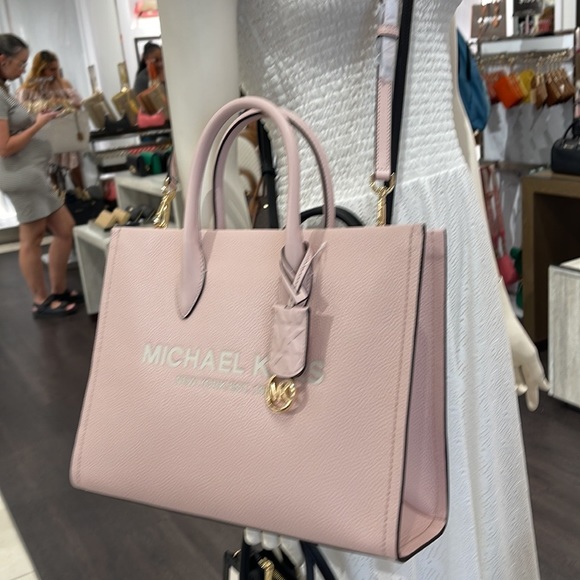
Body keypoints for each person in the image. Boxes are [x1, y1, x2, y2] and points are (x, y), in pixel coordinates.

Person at [159, 1, 547, 577]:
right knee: (371, 535)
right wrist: (243, 355)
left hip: (455, 250)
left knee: (472, 508)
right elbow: (205, 146)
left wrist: (498, 305)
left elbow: (445, 113)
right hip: (335, 254)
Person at [0, 34, 81, 318]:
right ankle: (40, 300)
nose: (24, 69)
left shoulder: (5, 91)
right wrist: (38, 124)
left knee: (65, 228)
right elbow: (5, 147)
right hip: (21, 176)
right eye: (21, 63)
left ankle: (58, 290)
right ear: (2, 60)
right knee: (32, 239)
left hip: (32, 174)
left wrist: (36, 120)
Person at [17, 50, 86, 195]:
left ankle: (83, 196)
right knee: (51, 170)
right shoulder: (27, 89)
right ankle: (58, 200)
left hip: (65, 132)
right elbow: (22, 112)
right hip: (43, 135)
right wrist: (41, 106)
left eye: (56, 69)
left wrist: (61, 102)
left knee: (75, 167)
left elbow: (79, 103)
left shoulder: (63, 83)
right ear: (40, 69)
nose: (55, 73)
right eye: (52, 69)